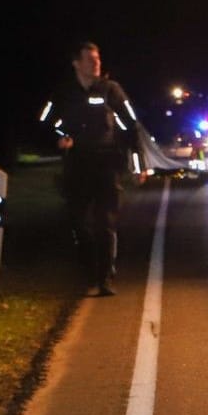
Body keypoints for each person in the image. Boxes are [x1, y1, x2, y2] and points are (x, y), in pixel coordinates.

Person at [42, 42, 141, 296]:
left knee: (105, 222)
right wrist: (59, 137)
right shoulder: (64, 91)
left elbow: (131, 126)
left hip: (108, 164)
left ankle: (105, 278)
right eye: (89, 59)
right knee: (79, 223)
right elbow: (45, 121)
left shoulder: (111, 90)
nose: (95, 63)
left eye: (97, 59)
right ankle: (89, 270)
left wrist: (139, 165)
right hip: (77, 165)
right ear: (76, 63)